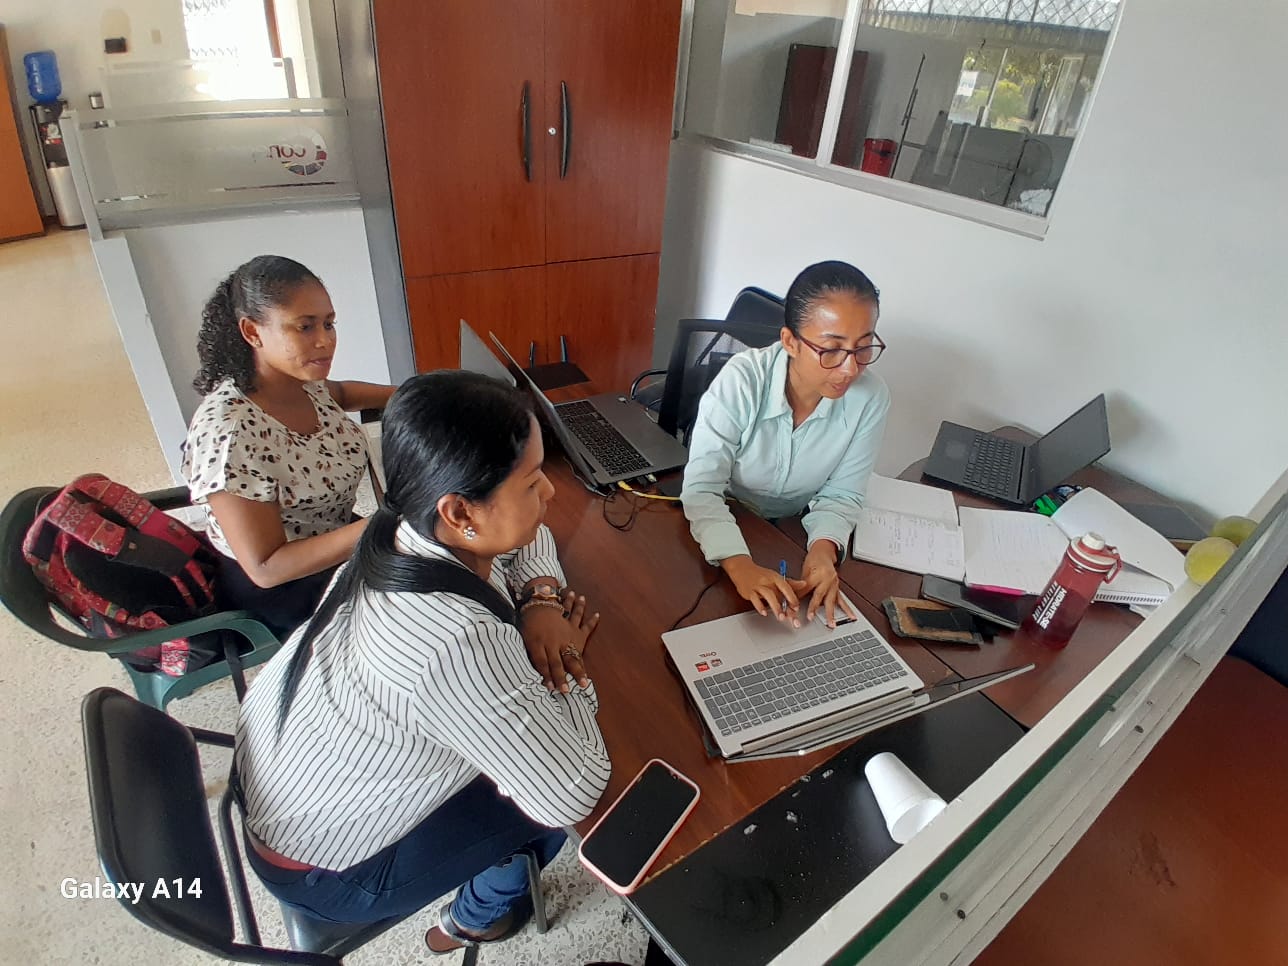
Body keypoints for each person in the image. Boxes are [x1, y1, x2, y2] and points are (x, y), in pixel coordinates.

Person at [235, 370, 609, 956]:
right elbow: (571, 790)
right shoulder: (452, 642)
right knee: (541, 814)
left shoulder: (399, 526)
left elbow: (521, 535)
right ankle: (475, 917)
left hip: (288, 779)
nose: (551, 494)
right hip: (328, 869)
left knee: (508, 750)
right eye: (533, 481)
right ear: (459, 511)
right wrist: (567, 664)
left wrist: (540, 600)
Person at [182, 255, 397, 637]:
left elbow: (339, 393)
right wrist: (387, 524)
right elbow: (267, 568)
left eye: (329, 324)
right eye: (305, 326)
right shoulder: (231, 432)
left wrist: (418, 391)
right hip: (288, 587)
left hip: (332, 534)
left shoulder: (295, 380)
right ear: (252, 331)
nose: (325, 340)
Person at [681, 260, 890, 627]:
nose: (850, 369)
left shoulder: (870, 397)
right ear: (790, 341)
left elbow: (842, 495)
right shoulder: (742, 381)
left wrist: (823, 552)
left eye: (863, 347)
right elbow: (702, 489)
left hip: (793, 528)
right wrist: (739, 564)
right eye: (832, 349)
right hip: (725, 517)